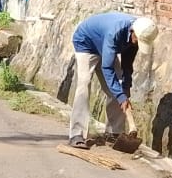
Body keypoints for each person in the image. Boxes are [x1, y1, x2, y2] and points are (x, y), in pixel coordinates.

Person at [67, 12, 159, 150]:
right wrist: (121, 97)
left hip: (105, 47)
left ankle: (113, 132)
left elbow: (127, 65)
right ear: (133, 31)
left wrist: (126, 89)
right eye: (138, 40)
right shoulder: (115, 32)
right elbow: (107, 68)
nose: (137, 43)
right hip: (86, 43)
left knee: (119, 88)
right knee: (84, 84)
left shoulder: (137, 35)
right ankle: (76, 134)